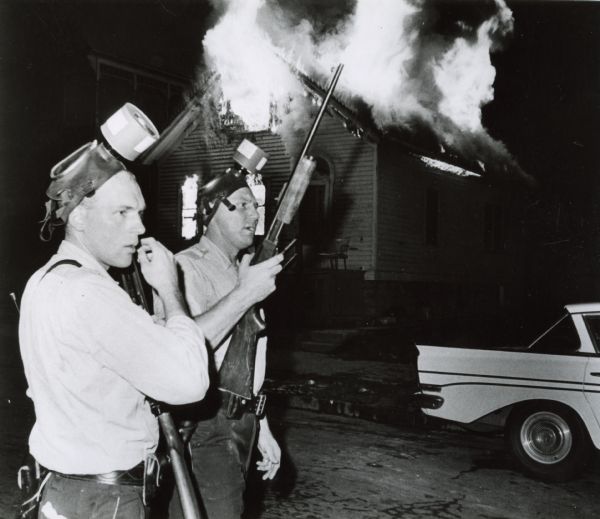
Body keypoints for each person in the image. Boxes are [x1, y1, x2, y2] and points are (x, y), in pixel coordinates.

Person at [18, 103, 210, 519]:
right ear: (80, 216)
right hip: (105, 502)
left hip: (62, 492)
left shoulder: (43, 282)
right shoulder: (92, 294)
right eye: (122, 213)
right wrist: (170, 291)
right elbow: (190, 383)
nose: (139, 228)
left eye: (139, 214)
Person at [165, 140, 283, 519]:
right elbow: (187, 346)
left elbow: (245, 356)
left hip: (241, 420)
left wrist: (261, 426)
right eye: (243, 205)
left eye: (256, 205)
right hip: (206, 423)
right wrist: (243, 293)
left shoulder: (245, 271)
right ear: (213, 211)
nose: (254, 215)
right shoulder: (187, 267)